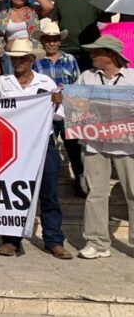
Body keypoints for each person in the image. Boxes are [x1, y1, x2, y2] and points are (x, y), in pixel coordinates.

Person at [0, 39, 71, 259]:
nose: (17, 62)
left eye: (21, 58)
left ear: (31, 60)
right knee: (12, 193)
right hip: (14, 146)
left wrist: (55, 102)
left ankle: (53, 240)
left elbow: (59, 116)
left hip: (44, 143)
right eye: (13, 58)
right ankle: (11, 240)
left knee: (49, 193)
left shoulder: (46, 82)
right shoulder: (2, 83)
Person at [71, 36, 134, 259]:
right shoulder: (86, 77)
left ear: (110, 55)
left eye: (95, 52)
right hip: (94, 143)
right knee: (95, 193)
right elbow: (75, 107)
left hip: (128, 146)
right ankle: (97, 243)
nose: (91, 55)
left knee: (133, 193)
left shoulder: (132, 77)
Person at [33, 19, 85, 198]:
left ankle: (80, 182)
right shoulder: (37, 64)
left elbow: (79, 85)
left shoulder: (70, 60)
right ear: (42, 42)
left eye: (55, 39)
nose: (52, 43)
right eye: (48, 39)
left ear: (60, 41)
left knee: (74, 149)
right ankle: (48, 186)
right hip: (47, 111)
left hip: (68, 110)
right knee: (47, 148)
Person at [24, 0, 100, 72]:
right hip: (66, 51)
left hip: (91, 50)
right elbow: (54, 24)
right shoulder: (60, 1)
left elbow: (104, 24)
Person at [0, 0, 41, 76]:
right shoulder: (3, 14)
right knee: (11, 83)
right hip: (9, 56)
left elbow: (49, 7)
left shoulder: (32, 11)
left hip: (31, 53)